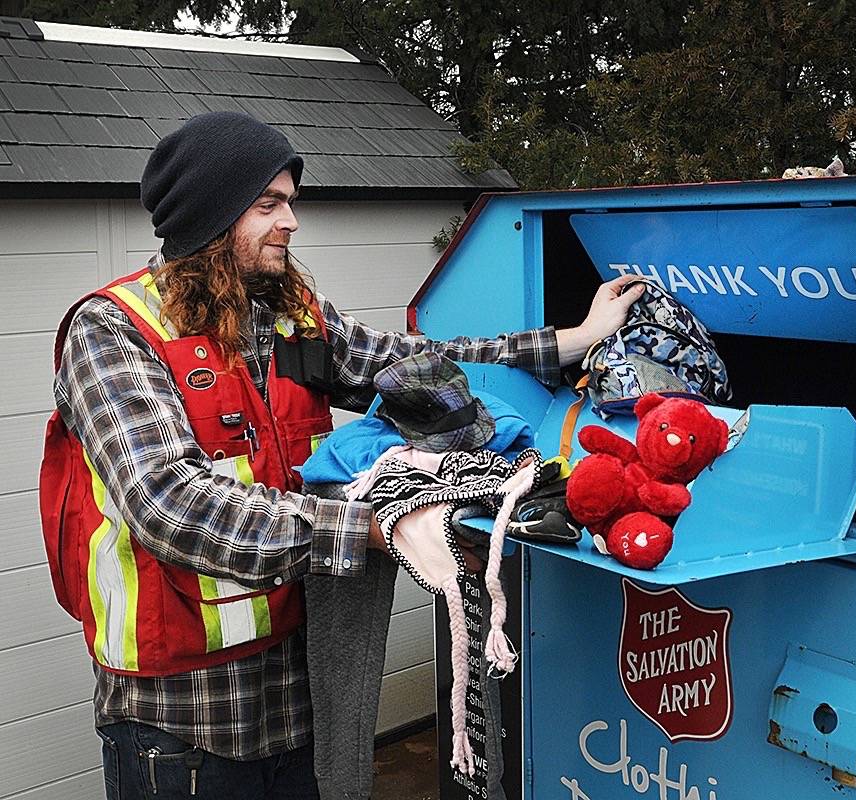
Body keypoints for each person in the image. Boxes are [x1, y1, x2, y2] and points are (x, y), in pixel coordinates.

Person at [41, 111, 643, 799]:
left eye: (291, 201)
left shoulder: (290, 315)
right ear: (211, 216)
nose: (291, 222)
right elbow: (170, 503)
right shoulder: (113, 331)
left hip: (300, 709)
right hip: (181, 728)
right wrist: (374, 530)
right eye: (268, 204)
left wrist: (572, 340)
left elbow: (418, 365)